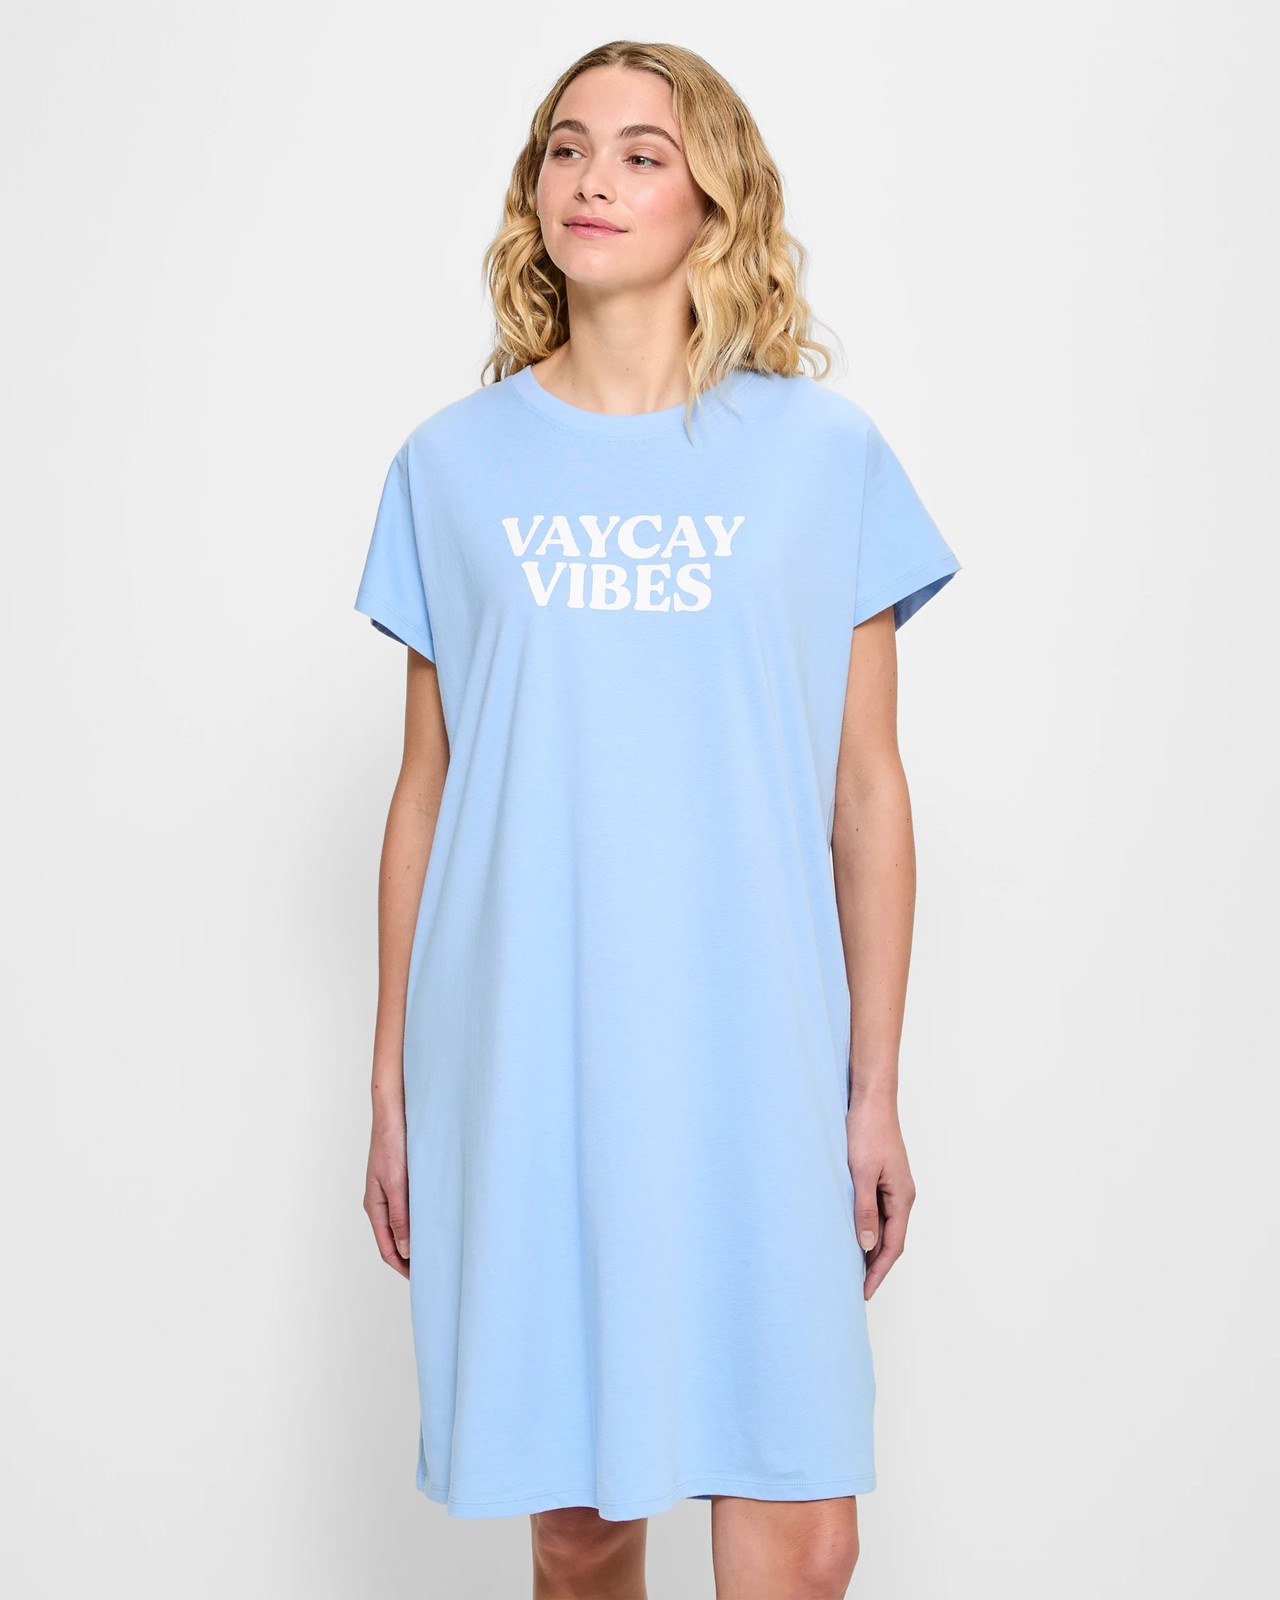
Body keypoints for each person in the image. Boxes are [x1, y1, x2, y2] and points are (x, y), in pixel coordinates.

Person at [355, 39, 961, 1600]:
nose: (594, 180)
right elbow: (426, 790)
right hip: (525, 1051)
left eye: (641, 152)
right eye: (567, 148)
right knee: (579, 1530)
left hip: (755, 1051)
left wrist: (873, 1088)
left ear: (715, 199)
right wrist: (393, 1084)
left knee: (805, 1534)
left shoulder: (823, 457)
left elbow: (866, 791)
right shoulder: (451, 468)